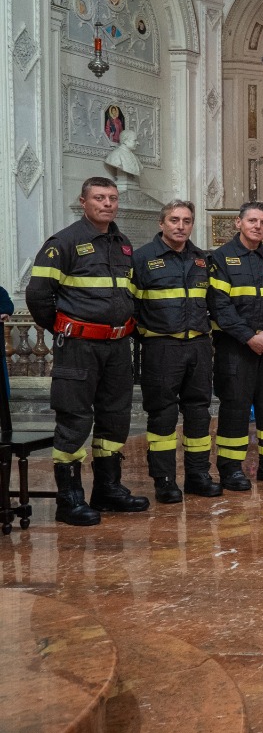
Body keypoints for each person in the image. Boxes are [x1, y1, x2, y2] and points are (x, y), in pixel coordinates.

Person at [26, 177, 147, 526]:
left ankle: (108, 489)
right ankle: (70, 499)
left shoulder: (122, 244)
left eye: (112, 198)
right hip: (78, 346)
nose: (107, 204)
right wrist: (66, 328)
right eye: (99, 198)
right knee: (75, 418)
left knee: (115, 415)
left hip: (117, 346)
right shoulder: (63, 242)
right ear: (83, 201)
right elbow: (37, 296)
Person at [131, 198, 219, 502]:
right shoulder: (142, 259)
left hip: (198, 346)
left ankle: (198, 475)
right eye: (174, 220)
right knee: (162, 416)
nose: (181, 226)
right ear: (161, 223)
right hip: (161, 347)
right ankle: (165, 480)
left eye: (186, 221)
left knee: (199, 412)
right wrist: (146, 336)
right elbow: (130, 307)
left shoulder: (201, 259)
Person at [209, 201, 263, 487]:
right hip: (236, 348)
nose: (258, 227)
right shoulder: (220, 258)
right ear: (238, 223)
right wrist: (249, 336)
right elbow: (219, 307)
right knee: (235, 406)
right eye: (252, 221)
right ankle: (231, 468)